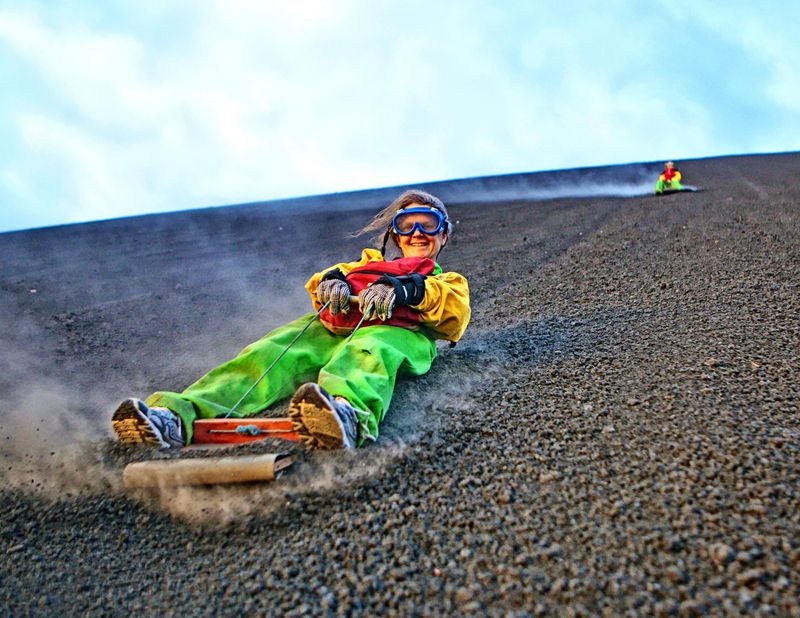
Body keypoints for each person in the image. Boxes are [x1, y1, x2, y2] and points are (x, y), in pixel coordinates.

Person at [111, 190, 471, 450]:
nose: (418, 233)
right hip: (330, 327)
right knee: (268, 353)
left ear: (443, 234)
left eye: (429, 223)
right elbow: (322, 282)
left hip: (398, 332)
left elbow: (455, 313)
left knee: (368, 351)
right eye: (407, 224)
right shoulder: (361, 266)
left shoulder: (447, 281)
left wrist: (408, 290)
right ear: (395, 233)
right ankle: (175, 417)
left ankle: (347, 413)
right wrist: (333, 284)